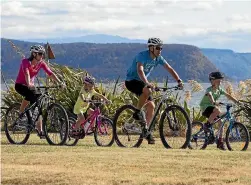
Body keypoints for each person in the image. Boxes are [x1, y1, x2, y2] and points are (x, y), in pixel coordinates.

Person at [125, 37, 183, 144]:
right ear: (151, 48)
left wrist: (179, 80)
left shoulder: (158, 58)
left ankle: (145, 131)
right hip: (132, 81)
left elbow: (169, 68)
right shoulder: (142, 56)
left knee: (151, 106)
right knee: (148, 91)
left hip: (142, 82)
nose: (160, 50)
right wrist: (147, 83)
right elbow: (140, 70)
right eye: (158, 48)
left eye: (161, 48)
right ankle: (137, 112)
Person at [15, 44, 64, 137]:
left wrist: (59, 82)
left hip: (31, 86)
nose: (42, 56)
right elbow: (27, 73)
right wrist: (29, 83)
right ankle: (20, 112)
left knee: (38, 106)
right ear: (34, 54)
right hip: (20, 85)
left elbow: (50, 73)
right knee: (30, 96)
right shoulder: (25, 62)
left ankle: (40, 130)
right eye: (40, 54)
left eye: (43, 54)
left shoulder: (41, 63)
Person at [199, 71, 239, 150]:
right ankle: (206, 125)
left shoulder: (219, 89)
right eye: (218, 80)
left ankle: (220, 142)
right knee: (217, 109)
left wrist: (237, 102)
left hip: (213, 110)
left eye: (220, 80)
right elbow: (210, 95)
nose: (220, 81)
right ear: (213, 81)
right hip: (205, 107)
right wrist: (213, 102)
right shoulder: (209, 89)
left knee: (221, 123)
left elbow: (228, 95)